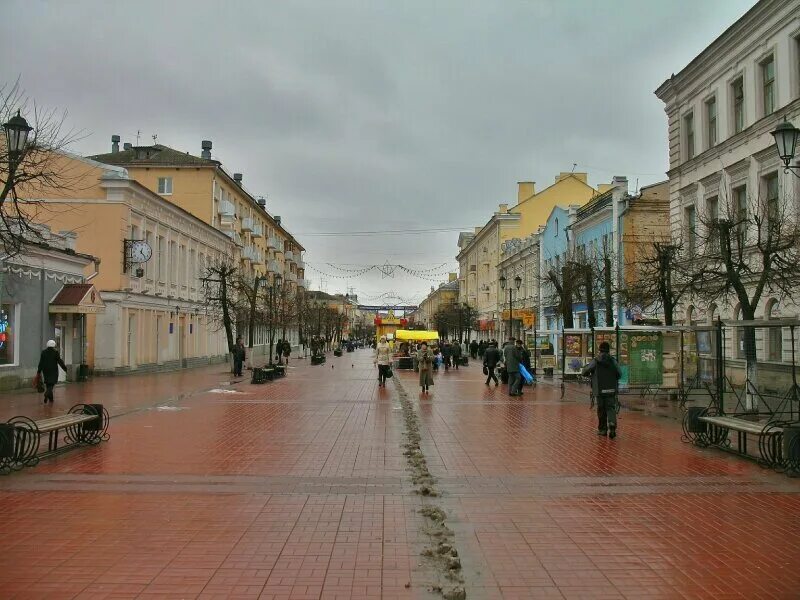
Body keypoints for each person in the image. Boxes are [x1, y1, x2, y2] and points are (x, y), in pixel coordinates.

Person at [582, 341, 623, 438]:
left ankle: (602, 430)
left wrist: (587, 371)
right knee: (610, 408)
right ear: (608, 350)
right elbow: (620, 373)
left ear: (600, 350)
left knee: (601, 410)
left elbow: (585, 372)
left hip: (599, 390)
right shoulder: (613, 361)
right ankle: (612, 424)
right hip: (611, 389)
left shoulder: (596, 361)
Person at [37, 340, 67, 404]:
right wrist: (65, 368)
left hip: (45, 371)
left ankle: (51, 399)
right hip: (53, 371)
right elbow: (60, 361)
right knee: (51, 384)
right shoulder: (55, 352)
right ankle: (46, 394)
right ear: (54, 345)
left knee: (48, 384)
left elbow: (41, 363)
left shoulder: (43, 352)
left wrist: (38, 371)